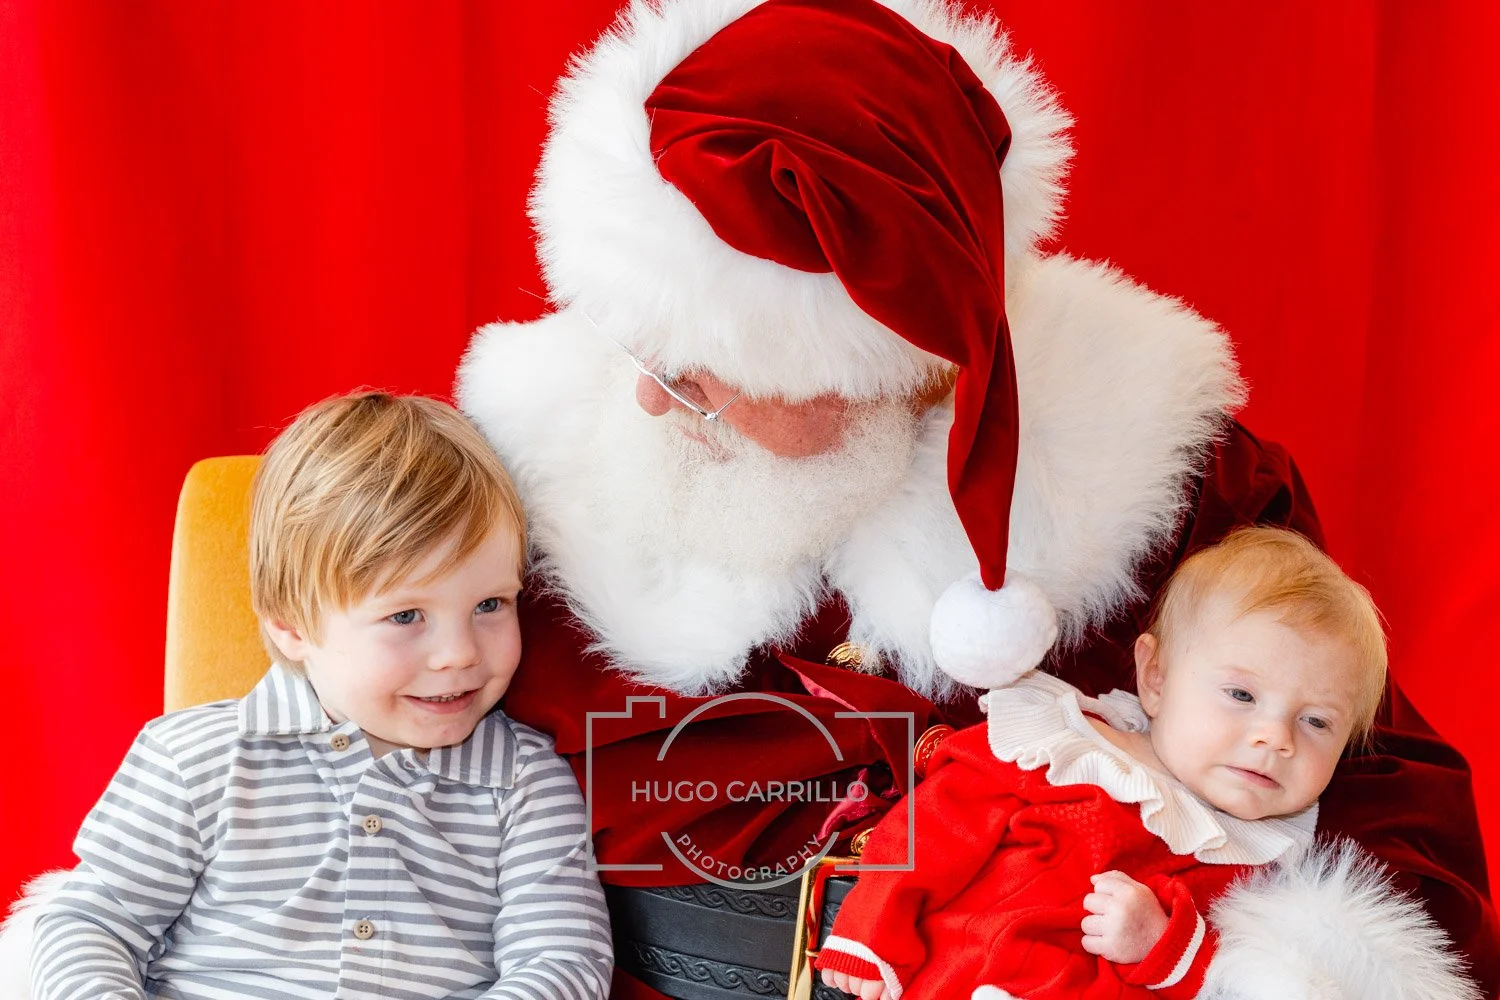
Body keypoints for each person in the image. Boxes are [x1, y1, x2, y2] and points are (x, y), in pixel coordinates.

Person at [453, 0, 1498, 997]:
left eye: (704, 367)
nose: (651, 395)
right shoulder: (539, 453)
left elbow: (1373, 791)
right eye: (648, 346)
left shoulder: (1176, 480)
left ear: (884, 360)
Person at [26, 392, 613, 1000]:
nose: (460, 653)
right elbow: (91, 923)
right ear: (292, 626)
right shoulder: (194, 757)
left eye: (490, 605)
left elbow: (562, 963)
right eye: (407, 614)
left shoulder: (525, 782)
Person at [815, 526, 1473, 999]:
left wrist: (1163, 945)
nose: (1275, 738)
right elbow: (937, 824)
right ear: (1154, 678)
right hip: (970, 975)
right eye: (1241, 695)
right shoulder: (1070, 749)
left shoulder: (1262, 861)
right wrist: (873, 928)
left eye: (1317, 722)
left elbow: (1222, 977)